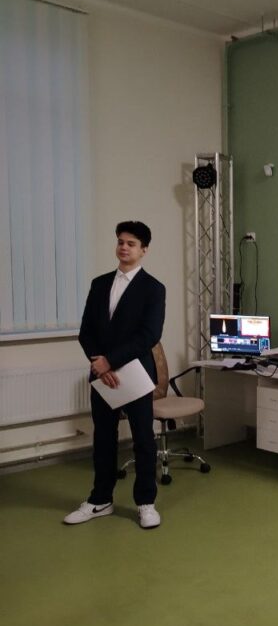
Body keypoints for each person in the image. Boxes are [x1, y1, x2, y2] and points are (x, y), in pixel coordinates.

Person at [64, 221, 166, 529]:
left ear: (144, 250)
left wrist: (111, 361)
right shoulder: (99, 284)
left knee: (143, 440)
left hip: (135, 374)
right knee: (103, 439)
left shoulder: (153, 288)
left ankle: (146, 503)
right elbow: (86, 331)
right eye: (121, 241)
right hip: (101, 374)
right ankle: (100, 500)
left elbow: (149, 334)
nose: (124, 247)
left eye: (131, 243)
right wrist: (99, 362)